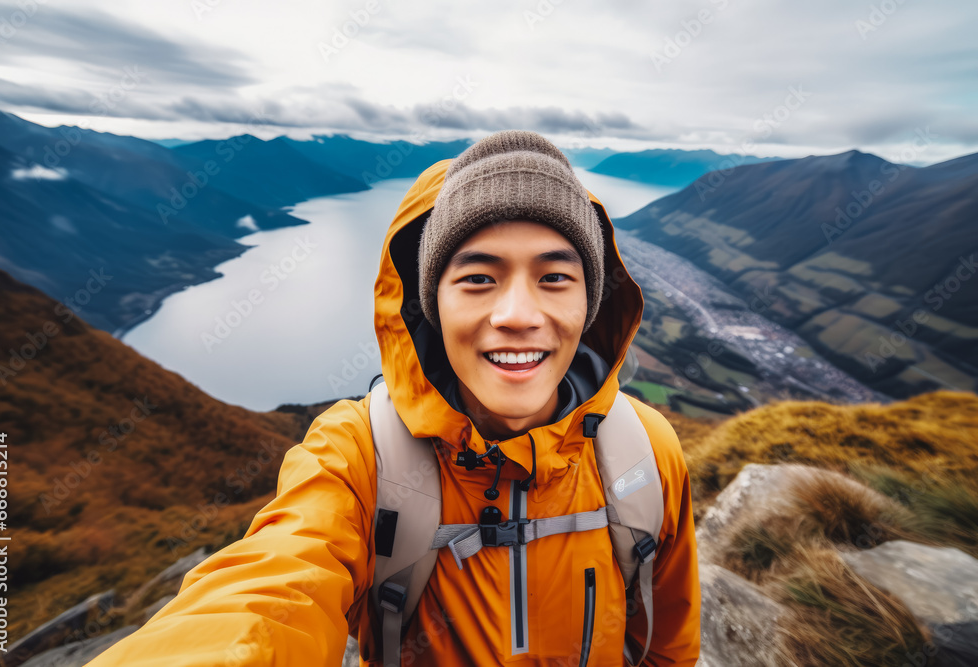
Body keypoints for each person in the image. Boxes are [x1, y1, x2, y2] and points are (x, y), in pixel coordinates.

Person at [85, 130, 701, 666]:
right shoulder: (356, 456)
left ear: (590, 306)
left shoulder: (644, 454)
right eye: (478, 278)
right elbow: (269, 595)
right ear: (432, 306)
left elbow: (669, 648)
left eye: (556, 277)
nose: (518, 315)